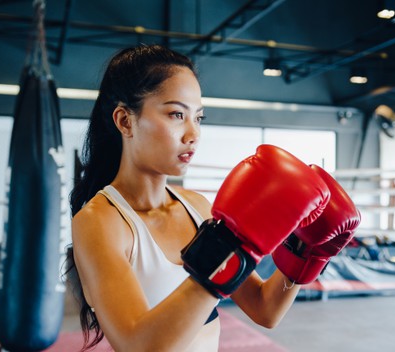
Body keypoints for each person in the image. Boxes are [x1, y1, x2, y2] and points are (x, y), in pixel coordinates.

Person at [66, 44, 359, 352]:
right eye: (177, 114)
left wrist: (304, 252)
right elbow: (139, 345)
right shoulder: (99, 221)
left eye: (199, 117)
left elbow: (264, 309)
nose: (193, 133)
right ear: (125, 121)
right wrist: (228, 254)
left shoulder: (197, 207)